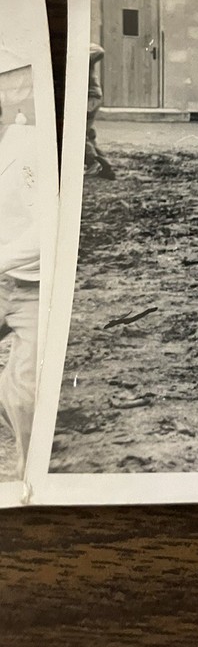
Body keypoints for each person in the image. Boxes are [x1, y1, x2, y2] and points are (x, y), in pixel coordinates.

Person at [0, 100, 40, 478]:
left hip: (35, 288)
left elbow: (47, 230)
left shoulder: (28, 150)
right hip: (3, 280)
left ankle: (29, 471)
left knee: (23, 390)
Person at [85, 44, 115, 180]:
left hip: (91, 97)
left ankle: (93, 163)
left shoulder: (81, 52)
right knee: (87, 132)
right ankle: (105, 166)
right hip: (86, 97)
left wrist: (80, 55)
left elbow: (99, 51)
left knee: (78, 131)